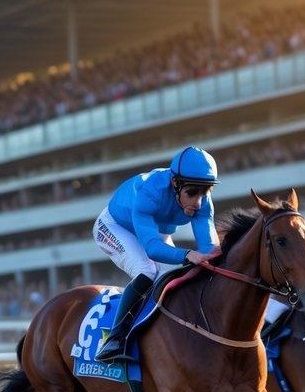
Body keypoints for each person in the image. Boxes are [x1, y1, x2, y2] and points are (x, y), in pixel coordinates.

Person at [93, 147, 222, 364]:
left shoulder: (202, 202)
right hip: (115, 226)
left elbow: (210, 249)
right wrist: (188, 254)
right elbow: (152, 248)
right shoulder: (150, 191)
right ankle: (114, 339)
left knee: (177, 277)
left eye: (205, 192)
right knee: (147, 270)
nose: (198, 202)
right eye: (192, 193)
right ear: (175, 183)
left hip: (153, 229)